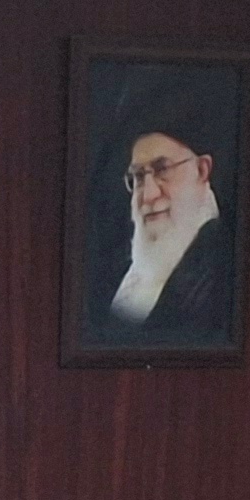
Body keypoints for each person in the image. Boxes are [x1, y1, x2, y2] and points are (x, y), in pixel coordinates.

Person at [92, 123, 236, 344]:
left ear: (201, 170)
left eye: (163, 170)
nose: (148, 195)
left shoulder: (225, 266)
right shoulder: (114, 267)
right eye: (139, 177)